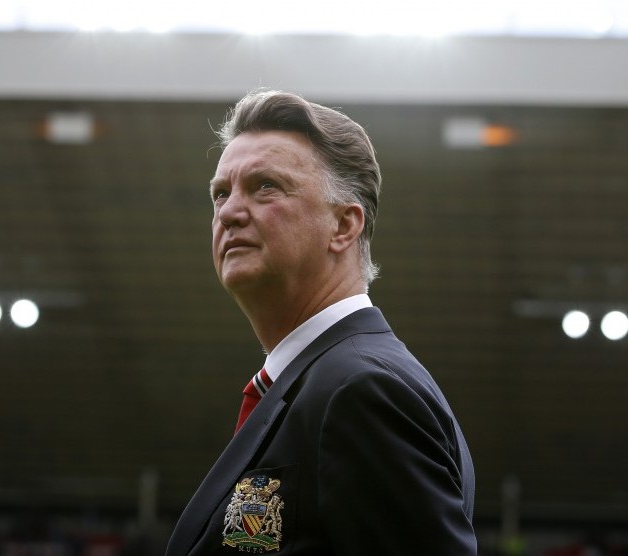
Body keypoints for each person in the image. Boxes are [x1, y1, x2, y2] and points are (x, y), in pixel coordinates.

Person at [165, 89, 476, 555]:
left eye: (265, 186)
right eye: (220, 193)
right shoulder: (323, 382)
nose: (229, 212)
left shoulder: (364, 391)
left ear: (344, 226)